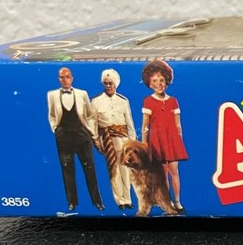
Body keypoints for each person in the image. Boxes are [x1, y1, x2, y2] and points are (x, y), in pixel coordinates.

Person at [47, 67, 104, 212]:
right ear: (59, 79)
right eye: (62, 77)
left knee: (89, 169)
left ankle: (97, 201)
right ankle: (72, 202)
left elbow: (90, 115)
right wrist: (55, 129)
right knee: (67, 170)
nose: (65, 80)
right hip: (64, 137)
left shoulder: (82, 93)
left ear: (72, 78)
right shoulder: (52, 95)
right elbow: (52, 115)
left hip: (82, 136)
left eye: (67, 77)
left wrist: (92, 133)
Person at [140, 59, 188, 214]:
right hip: (157, 141)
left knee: (175, 171)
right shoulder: (148, 101)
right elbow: (145, 125)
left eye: (161, 80)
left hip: (172, 140)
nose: (159, 84)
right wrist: (144, 143)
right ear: (149, 83)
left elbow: (178, 124)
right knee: (163, 174)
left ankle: (177, 201)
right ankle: (167, 202)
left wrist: (179, 141)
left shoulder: (173, 101)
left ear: (167, 80)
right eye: (154, 81)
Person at [91, 69, 137, 210]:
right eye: (105, 83)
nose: (108, 86)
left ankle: (128, 199)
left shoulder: (123, 101)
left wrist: (132, 142)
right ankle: (120, 200)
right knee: (114, 170)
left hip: (123, 140)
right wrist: (96, 140)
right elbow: (93, 122)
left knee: (126, 170)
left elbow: (129, 123)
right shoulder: (96, 101)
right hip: (107, 140)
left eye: (110, 83)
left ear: (115, 84)